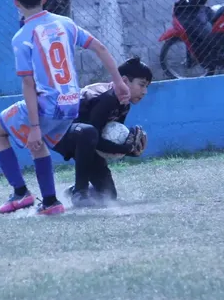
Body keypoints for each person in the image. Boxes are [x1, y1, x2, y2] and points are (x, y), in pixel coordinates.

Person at [0, 0, 129, 216]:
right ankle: (51, 202)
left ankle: (21, 193)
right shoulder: (66, 23)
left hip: (48, 105)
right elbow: (100, 47)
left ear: (16, 3)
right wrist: (118, 81)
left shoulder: (22, 37)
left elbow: (29, 84)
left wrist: (33, 125)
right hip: (70, 104)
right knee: (38, 142)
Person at [55, 57, 152, 207]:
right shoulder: (106, 98)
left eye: (147, 87)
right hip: (59, 133)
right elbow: (94, 137)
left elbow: (107, 140)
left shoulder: (124, 105)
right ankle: (80, 192)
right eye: (142, 85)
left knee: (108, 195)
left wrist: (128, 148)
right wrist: (124, 149)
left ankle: (72, 191)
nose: (145, 91)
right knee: (88, 133)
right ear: (125, 81)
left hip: (86, 139)